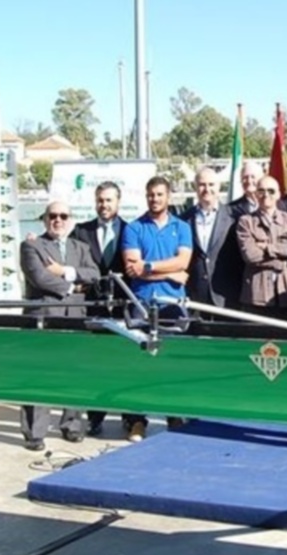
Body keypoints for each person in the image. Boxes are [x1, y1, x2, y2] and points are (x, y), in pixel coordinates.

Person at [19, 201, 100, 451]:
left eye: (63, 215)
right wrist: (72, 286)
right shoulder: (31, 245)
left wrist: (64, 271)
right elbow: (39, 276)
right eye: (53, 216)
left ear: (70, 219)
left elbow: (95, 274)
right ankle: (35, 433)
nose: (58, 220)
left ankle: (72, 426)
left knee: (74, 374)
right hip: (43, 319)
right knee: (39, 376)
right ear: (44, 219)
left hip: (74, 319)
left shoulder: (81, 247)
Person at [122, 176, 193, 442]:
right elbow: (132, 268)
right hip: (141, 303)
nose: (155, 199)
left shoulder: (182, 227)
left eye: (160, 194)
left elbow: (183, 261)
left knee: (173, 363)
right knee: (139, 365)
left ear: (169, 196)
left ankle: (173, 414)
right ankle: (137, 421)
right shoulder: (134, 228)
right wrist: (170, 272)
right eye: (151, 194)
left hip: (173, 305)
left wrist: (149, 267)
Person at [70, 181, 129, 436]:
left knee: (126, 365)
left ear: (118, 201)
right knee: (96, 365)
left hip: (123, 306)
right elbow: (66, 257)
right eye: (100, 200)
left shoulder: (130, 229)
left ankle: (131, 417)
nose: (104, 205)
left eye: (109, 200)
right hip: (92, 306)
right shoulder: (80, 231)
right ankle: (95, 417)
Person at [237, 176, 287, 321]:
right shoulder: (245, 222)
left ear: (279, 194)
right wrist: (281, 260)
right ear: (255, 194)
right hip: (256, 296)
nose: (266, 195)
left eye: (271, 191)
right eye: (261, 191)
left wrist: (267, 247)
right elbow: (251, 256)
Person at [180, 167, 244, 311]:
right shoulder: (183, 220)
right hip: (195, 296)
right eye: (202, 184)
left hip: (226, 296)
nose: (206, 189)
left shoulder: (234, 217)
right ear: (195, 187)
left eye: (211, 184)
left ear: (219, 186)